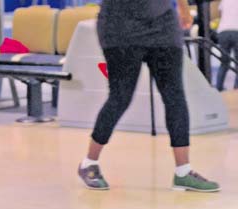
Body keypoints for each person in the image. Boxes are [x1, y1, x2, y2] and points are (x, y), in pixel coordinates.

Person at [78, 0, 220, 192]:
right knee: (120, 97)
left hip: (162, 23)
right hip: (120, 25)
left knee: (174, 95)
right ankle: (89, 163)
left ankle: (183, 171)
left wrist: (184, 8)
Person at [216, 0, 238, 91]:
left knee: (224, 62)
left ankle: (219, 87)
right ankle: (236, 89)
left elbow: (220, 14)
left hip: (223, 31)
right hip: (236, 30)